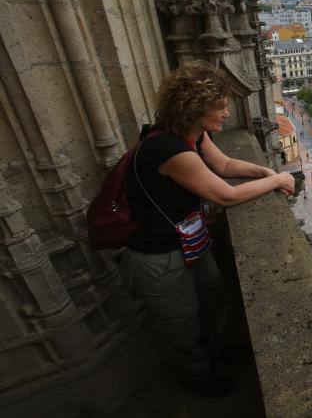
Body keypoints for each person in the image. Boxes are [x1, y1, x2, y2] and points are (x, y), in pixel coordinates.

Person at [120, 61, 295, 399]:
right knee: (179, 321)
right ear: (194, 107)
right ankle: (196, 374)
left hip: (189, 242)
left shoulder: (192, 137)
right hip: (158, 255)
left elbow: (226, 165)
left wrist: (264, 172)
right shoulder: (168, 148)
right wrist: (279, 179)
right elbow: (225, 194)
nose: (227, 114)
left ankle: (213, 351)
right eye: (220, 106)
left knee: (213, 297)